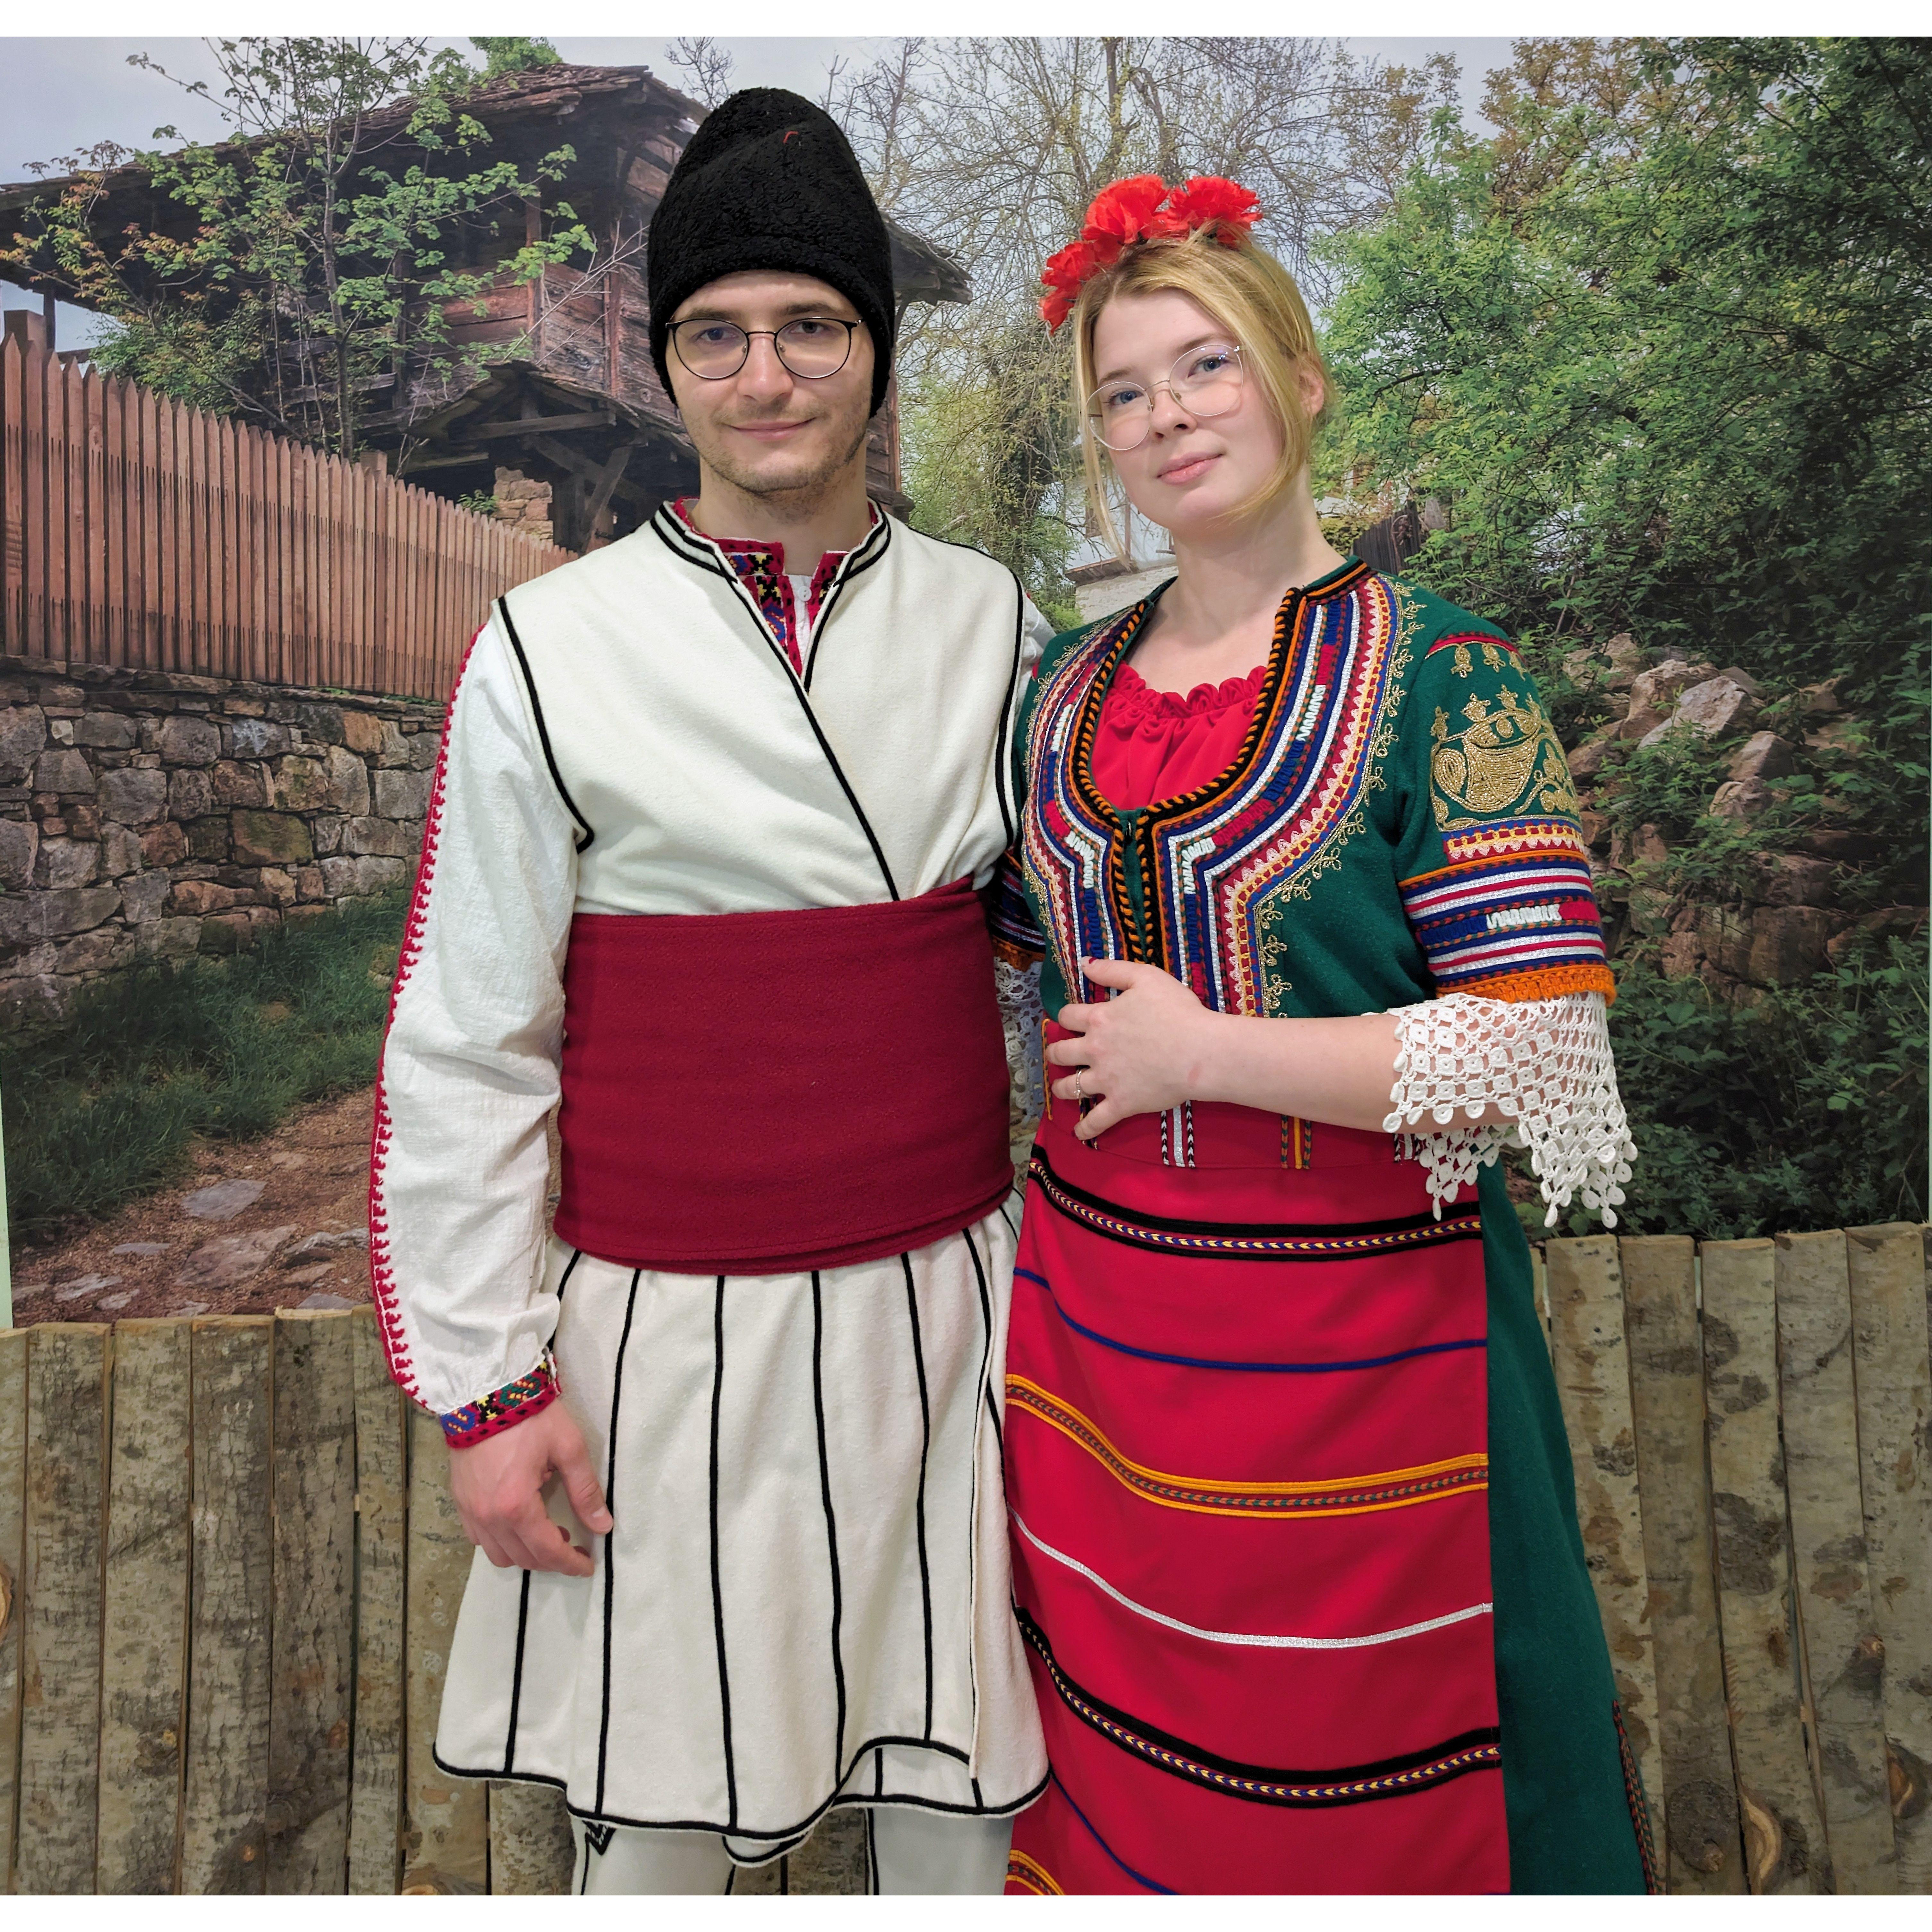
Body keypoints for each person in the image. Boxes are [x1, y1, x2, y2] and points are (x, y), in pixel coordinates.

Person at [368, 89, 1052, 1896]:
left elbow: (1060, 939)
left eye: (811, 325)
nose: (766, 376)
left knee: (961, 1805)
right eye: (717, 334)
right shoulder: (551, 641)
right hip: (658, 1341)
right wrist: (488, 1388)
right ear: (669, 363)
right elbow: (470, 1034)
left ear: (875, 352)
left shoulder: (993, 621)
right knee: (657, 1833)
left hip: (950, 1317)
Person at [989, 174, 1653, 1896]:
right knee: (1137, 1794)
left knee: (1396, 1799)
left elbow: (1538, 1054)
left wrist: (1205, 1056)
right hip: (1101, 1360)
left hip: (1375, 1356)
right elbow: (988, 971)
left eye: (1204, 365)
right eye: (1124, 393)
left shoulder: (1446, 673)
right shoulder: (1057, 694)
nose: (1166, 417)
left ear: (1300, 375)